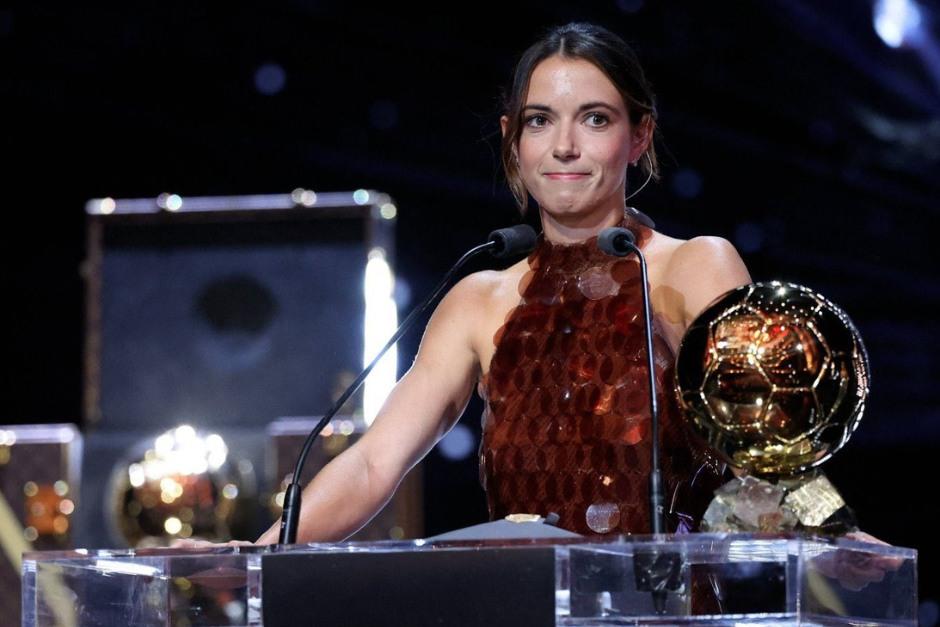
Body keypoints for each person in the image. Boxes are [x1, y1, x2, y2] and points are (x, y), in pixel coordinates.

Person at [251, 22, 752, 545]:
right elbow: (374, 463)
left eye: (595, 120)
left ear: (639, 135)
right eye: (540, 122)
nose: (564, 146)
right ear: (514, 140)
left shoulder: (694, 266)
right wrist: (254, 555)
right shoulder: (476, 300)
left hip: (662, 615)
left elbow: (772, 442)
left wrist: (833, 530)